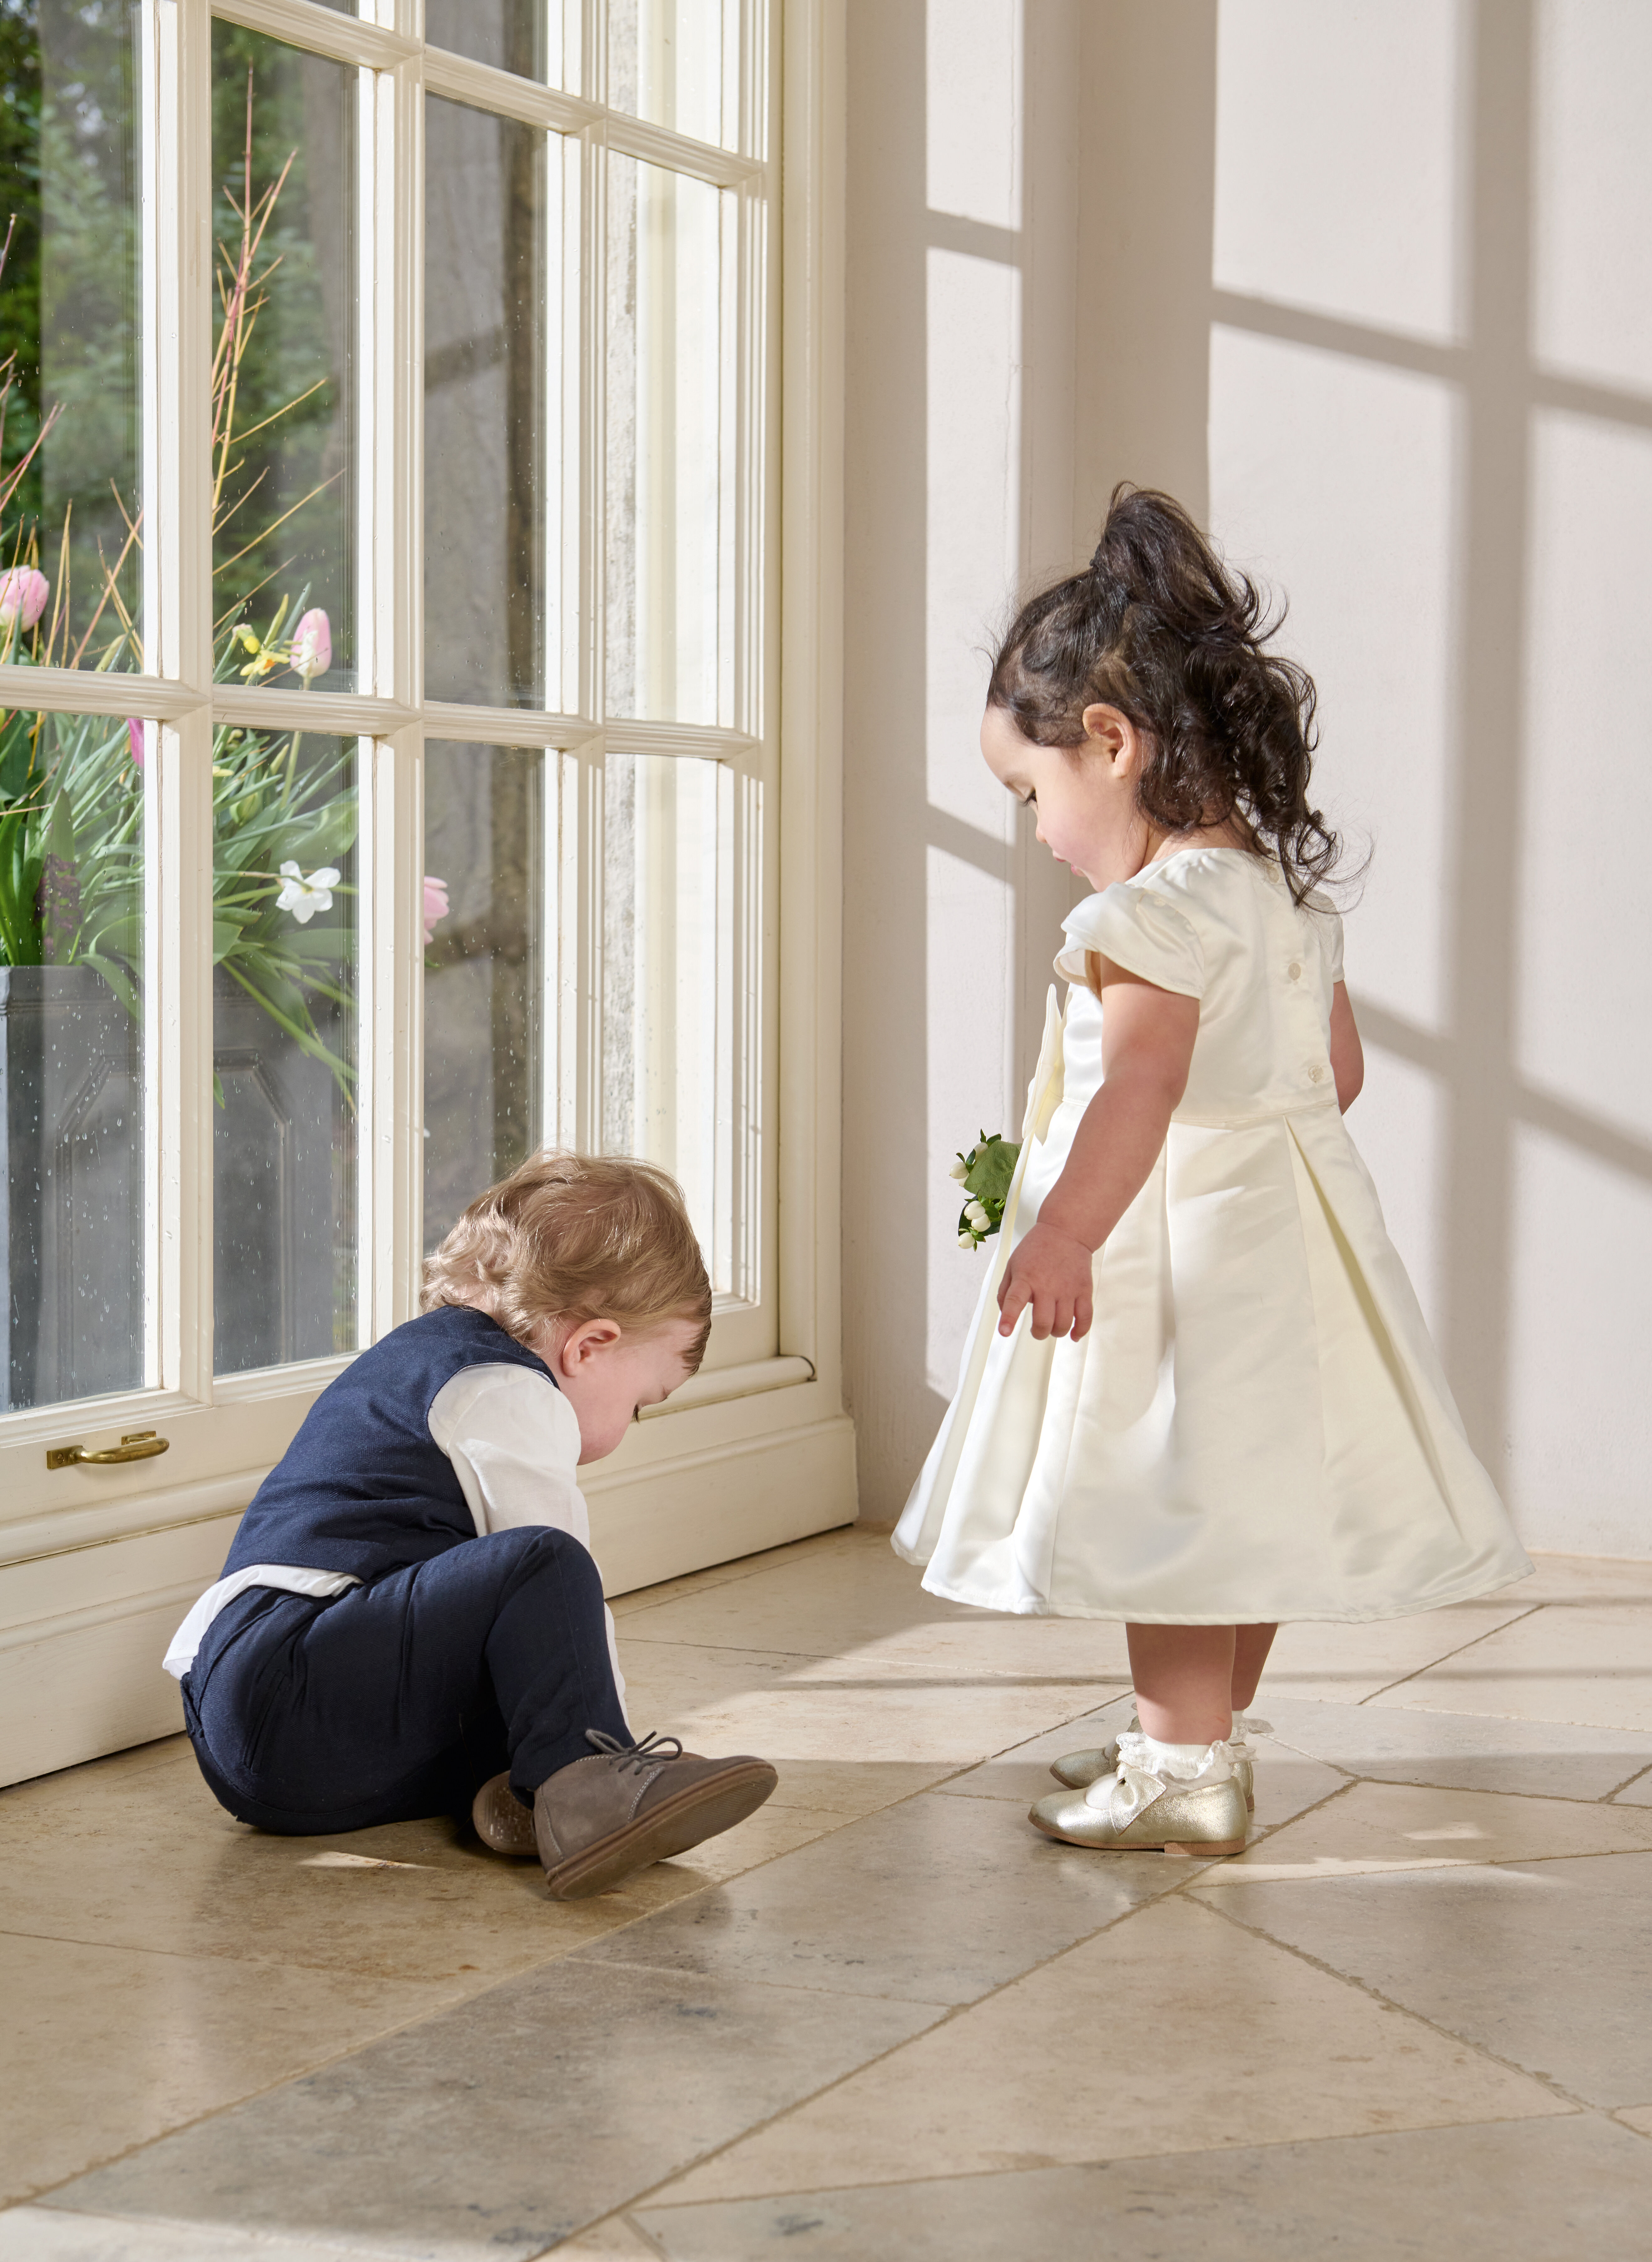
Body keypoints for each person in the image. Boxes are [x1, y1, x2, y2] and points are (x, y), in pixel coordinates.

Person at [893, 486, 1531, 1858]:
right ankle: (1188, 1739)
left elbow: (1142, 1082)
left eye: (1030, 793)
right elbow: (1332, 1074)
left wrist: (1063, 1225)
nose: (1038, 829)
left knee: (1165, 1494)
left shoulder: (1144, 912)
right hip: (1288, 1236)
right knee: (1233, 1503)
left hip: (1177, 1248)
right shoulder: (1283, 898)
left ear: (1109, 744)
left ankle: (1180, 1763)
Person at [165, 1152, 777, 1899]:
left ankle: (525, 1796)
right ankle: (594, 1787)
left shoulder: (431, 1361)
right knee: (543, 1565)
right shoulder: (507, 1388)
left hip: (266, 1746)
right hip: (289, 1673)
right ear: (590, 1347)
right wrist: (614, 1744)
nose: (632, 1425)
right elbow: (559, 1581)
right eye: (643, 1401)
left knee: (513, 1652)